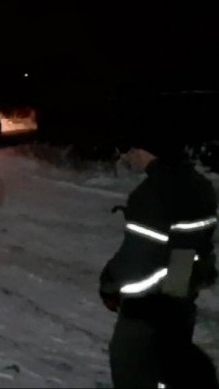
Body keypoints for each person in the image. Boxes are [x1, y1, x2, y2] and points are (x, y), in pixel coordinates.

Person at [100, 135, 218, 388]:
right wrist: (177, 287)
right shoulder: (201, 185)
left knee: (131, 367)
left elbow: (137, 260)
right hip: (181, 300)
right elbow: (191, 247)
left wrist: (110, 282)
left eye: (128, 148)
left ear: (146, 149)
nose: (125, 156)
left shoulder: (150, 194)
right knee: (170, 369)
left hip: (146, 311)